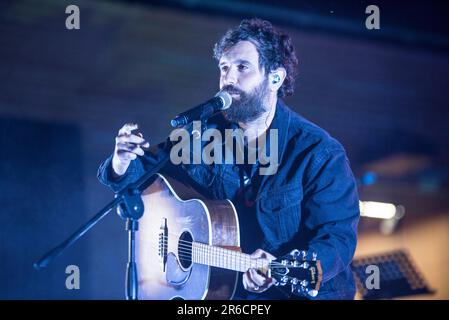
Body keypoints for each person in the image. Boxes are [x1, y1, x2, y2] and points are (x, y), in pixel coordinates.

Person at [98, 18, 360, 300]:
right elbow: (144, 174)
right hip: (224, 294)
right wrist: (122, 161)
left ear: (275, 78)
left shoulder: (317, 153)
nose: (228, 79)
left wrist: (285, 266)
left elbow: (337, 238)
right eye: (224, 68)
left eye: (242, 67)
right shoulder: (203, 134)